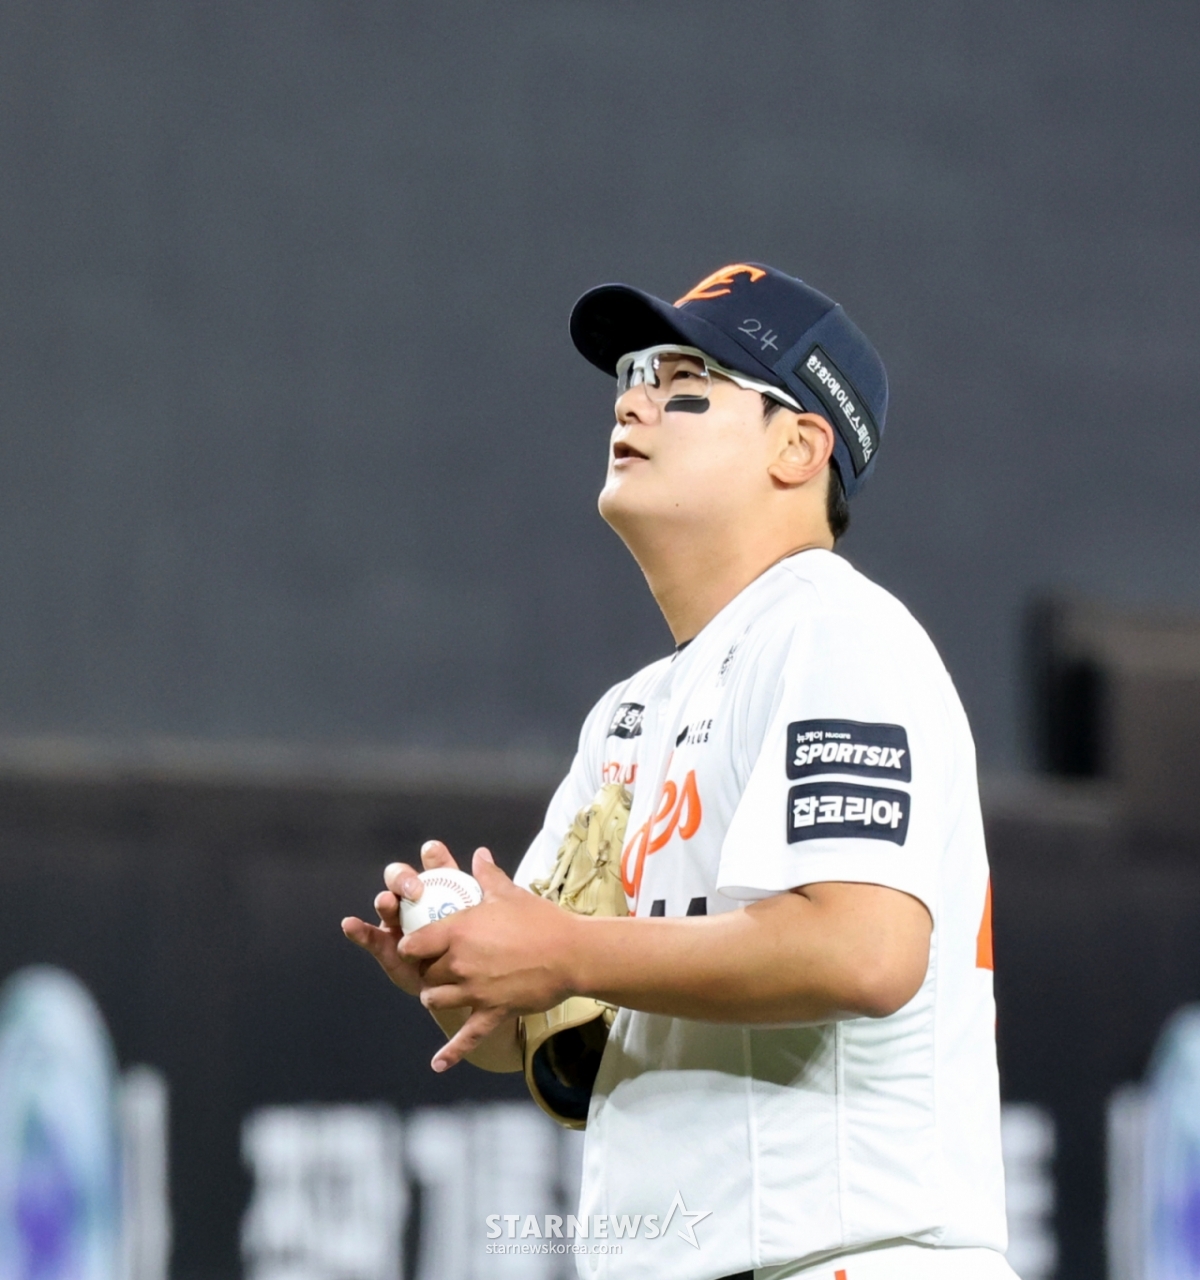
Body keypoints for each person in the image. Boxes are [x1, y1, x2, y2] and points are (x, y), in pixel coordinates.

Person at [343, 262, 1013, 1280]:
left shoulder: (836, 628)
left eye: (687, 384)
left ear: (800, 445)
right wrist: (473, 971)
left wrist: (562, 947)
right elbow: (551, 1018)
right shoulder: (630, 710)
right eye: (631, 376)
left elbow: (866, 950)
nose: (635, 398)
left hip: (852, 1255)